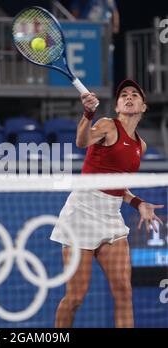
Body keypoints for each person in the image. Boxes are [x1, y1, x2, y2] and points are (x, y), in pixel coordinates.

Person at [50, 79, 164, 328]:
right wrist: (88, 114)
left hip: (111, 217)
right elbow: (81, 141)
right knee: (76, 298)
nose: (129, 97)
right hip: (82, 213)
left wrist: (138, 203)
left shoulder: (140, 146)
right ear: (118, 106)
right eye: (124, 94)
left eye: (135, 94)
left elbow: (117, 185)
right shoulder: (107, 126)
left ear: (143, 107)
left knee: (124, 292)